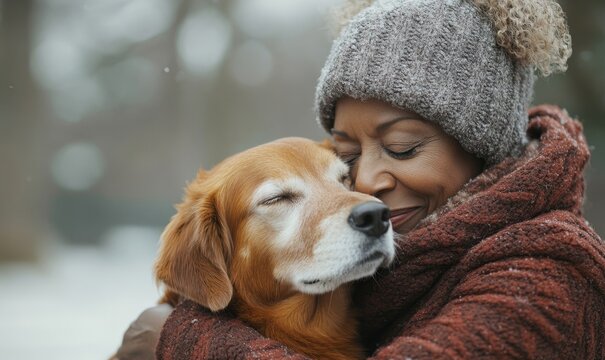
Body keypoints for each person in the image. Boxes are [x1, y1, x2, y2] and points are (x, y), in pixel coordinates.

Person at [114, 0, 605, 358]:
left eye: (403, 148)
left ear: (484, 148)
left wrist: (180, 340)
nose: (364, 186)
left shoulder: (551, 278)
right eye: (347, 159)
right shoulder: (402, 263)